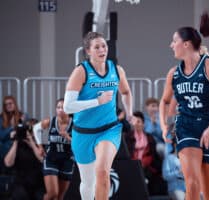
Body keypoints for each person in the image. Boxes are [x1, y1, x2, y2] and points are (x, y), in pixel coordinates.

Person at [159, 4, 209, 200]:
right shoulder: (174, 74)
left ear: (186, 44)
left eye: (174, 41)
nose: (171, 45)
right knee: (192, 186)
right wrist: (163, 126)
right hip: (187, 128)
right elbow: (164, 101)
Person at [63, 31, 133, 200]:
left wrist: (129, 113)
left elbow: (126, 92)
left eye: (104, 46)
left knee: (102, 172)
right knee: (87, 183)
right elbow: (67, 107)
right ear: (88, 51)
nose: (102, 50)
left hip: (109, 129)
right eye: (97, 47)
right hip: (82, 133)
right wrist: (97, 101)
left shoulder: (117, 70)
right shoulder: (80, 72)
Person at [33, 98, 74, 200]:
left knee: (59, 196)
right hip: (51, 159)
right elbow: (35, 128)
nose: (60, 110)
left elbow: (80, 143)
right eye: (58, 107)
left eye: (63, 107)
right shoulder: (50, 121)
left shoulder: (75, 124)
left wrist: (68, 137)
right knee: (52, 194)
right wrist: (39, 146)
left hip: (67, 161)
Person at [124, 111, 166, 195]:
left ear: (143, 123)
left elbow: (153, 154)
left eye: (139, 121)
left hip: (147, 166)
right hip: (133, 166)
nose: (137, 124)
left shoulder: (149, 137)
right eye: (135, 121)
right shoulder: (127, 136)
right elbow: (127, 153)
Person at [4, 120, 44, 200]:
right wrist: (16, 141)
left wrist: (32, 143)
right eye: (28, 129)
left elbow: (42, 159)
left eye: (33, 130)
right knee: (20, 195)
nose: (30, 132)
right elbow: (8, 163)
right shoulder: (17, 146)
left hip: (37, 183)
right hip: (20, 183)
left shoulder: (41, 147)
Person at [162, 127, 185, 200]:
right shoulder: (169, 158)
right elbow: (165, 176)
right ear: (175, 145)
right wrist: (178, 172)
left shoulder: (187, 159)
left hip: (188, 187)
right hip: (175, 188)